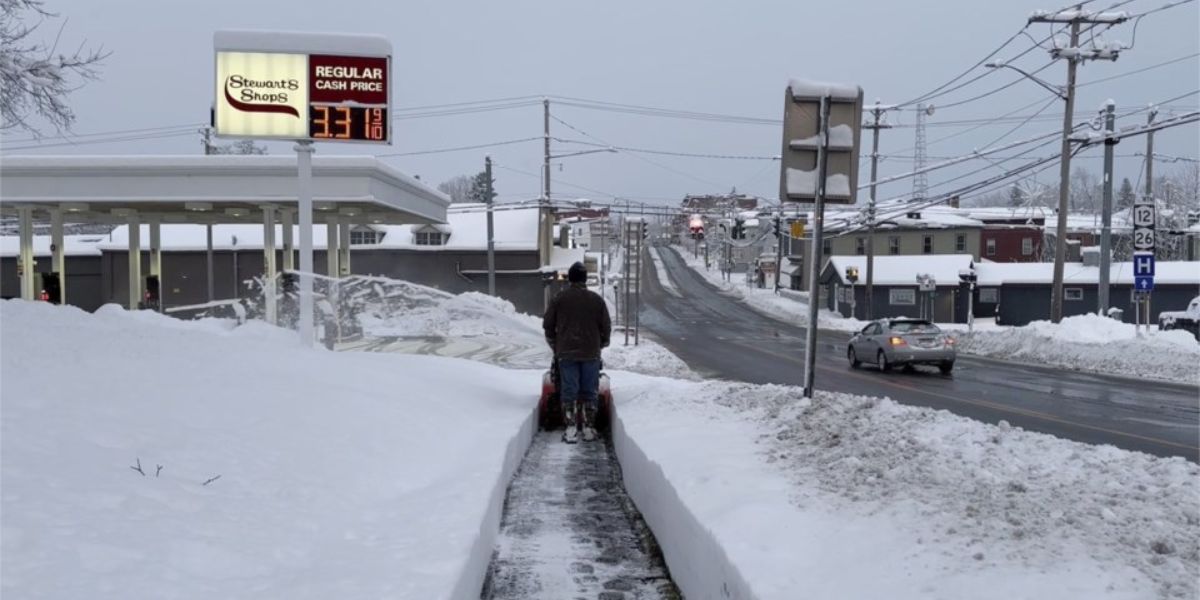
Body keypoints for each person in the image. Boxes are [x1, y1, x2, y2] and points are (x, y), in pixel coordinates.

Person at [543, 261, 611, 443]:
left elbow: (548, 325)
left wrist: (556, 345)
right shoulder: (597, 301)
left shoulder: (559, 299)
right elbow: (606, 327)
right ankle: (588, 428)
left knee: (569, 390)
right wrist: (601, 344)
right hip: (591, 353)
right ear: (585, 279)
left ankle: (571, 428)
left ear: (570, 279)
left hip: (566, 354)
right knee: (590, 390)